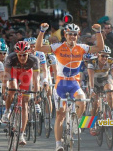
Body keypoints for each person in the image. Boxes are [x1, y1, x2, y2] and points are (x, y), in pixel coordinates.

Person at [35, 22, 104, 151]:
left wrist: (99, 32)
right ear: (65, 35)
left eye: (75, 34)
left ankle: (74, 123)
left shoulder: (82, 47)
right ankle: (58, 144)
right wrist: (42, 31)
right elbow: (38, 47)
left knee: (82, 101)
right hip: (61, 84)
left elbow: (100, 47)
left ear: (77, 35)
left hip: (74, 84)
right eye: (70, 34)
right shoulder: (57, 47)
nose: (72, 37)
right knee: (60, 114)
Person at [1, 41, 40, 145]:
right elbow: (6, 76)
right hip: (14, 73)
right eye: (20, 55)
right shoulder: (10, 58)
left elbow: (36, 79)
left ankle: (22, 134)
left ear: (29, 53)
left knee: (25, 105)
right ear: (16, 54)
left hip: (26, 75)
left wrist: (37, 94)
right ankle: (7, 111)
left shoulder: (34, 59)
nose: (22, 57)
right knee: (12, 87)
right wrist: (3, 90)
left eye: (24, 55)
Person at [87, 45, 113, 136]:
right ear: (97, 55)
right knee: (95, 103)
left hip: (105, 79)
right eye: (103, 56)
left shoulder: (111, 61)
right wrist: (92, 89)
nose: (105, 58)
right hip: (94, 81)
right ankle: (92, 124)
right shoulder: (92, 61)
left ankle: (109, 114)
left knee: (110, 91)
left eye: (107, 56)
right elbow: (91, 77)